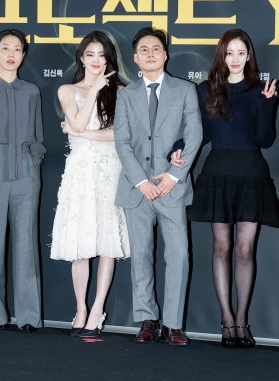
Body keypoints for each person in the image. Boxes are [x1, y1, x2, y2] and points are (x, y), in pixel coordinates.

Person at [177, 29, 279, 348]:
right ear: (221, 56)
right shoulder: (205, 89)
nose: (234, 59)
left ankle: (242, 320)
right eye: (229, 53)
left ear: (249, 57)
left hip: (251, 173)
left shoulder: (260, 90)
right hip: (218, 172)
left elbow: (265, 140)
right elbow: (201, 134)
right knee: (221, 246)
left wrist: (267, 105)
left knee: (245, 249)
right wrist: (178, 148)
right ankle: (226, 318)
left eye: (240, 53)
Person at [114, 27, 202, 346]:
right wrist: (141, 181)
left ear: (165, 54)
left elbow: (194, 134)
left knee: (178, 255)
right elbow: (122, 142)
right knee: (141, 255)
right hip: (137, 189)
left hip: (171, 186)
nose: (150, 54)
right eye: (144, 50)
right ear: (135, 58)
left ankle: (173, 324)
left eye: (155, 49)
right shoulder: (126, 95)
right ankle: (147, 318)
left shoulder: (185, 90)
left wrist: (172, 176)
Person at [51, 31, 130, 338]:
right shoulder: (67, 90)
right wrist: (94, 90)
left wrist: (79, 133)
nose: (97, 60)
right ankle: (81, 308)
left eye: (102, 55)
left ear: (109, 59)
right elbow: (80, 121)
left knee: (108, 243)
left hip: (109, 169)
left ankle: (97, 309)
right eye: (90, 54)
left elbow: (119, 136)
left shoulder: (121, 92)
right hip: (80, 172)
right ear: (81, 58)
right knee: (80, 245)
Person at [0, 29, 45, 333]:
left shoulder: (31, 91)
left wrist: (34, 164)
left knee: (26, 243)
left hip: (25, 167)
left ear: (24, 55)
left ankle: (29, 317)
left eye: (17, 49)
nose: (11, 54)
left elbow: (38, 135)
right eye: (5, 48)